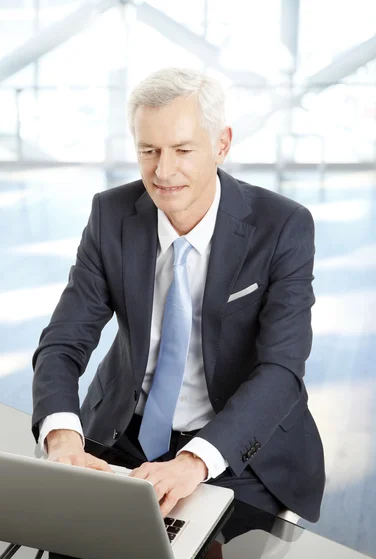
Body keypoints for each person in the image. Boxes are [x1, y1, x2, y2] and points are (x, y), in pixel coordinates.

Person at [32, 67, 325, 525]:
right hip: (120, 435)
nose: (163, 171)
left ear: (221, 144)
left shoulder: (282, 226)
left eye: (182, 150)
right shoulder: (111, 215)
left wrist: (195, 462)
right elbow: (63, 342)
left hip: (235, 452)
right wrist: (63, 433)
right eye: (148, 151)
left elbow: (282, 370)